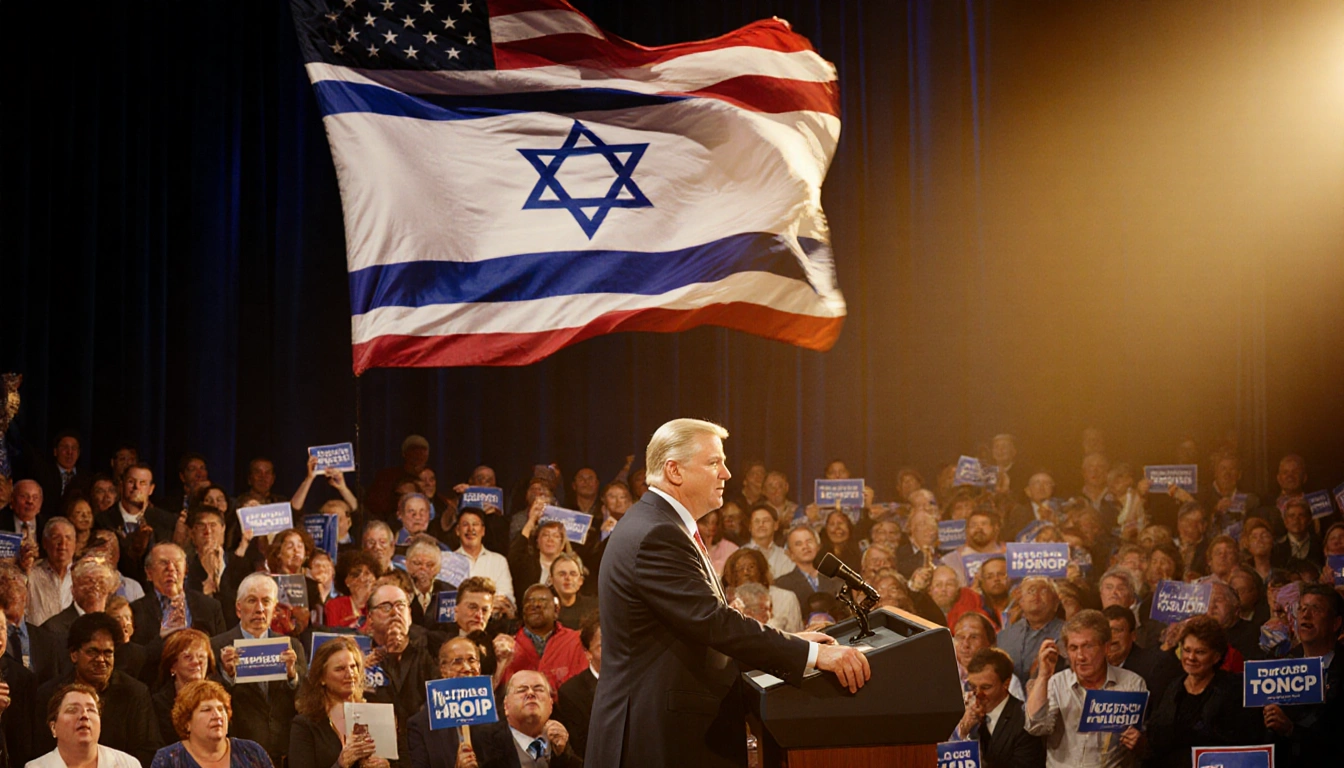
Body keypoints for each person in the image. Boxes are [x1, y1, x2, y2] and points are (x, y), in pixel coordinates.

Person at [587, 418, 868, 768]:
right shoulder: (657, 534)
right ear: (674, 470)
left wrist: (790, 642)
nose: (727, 474)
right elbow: (713, 623)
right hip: (658, 739)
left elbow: (697, 631)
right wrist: (811, 655)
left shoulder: (659, 524)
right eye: (714, 462)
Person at [35, 613, 162, 767]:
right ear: (74, 655)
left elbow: (148, 751)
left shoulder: (135, 693)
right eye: (93, 652)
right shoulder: (50, 694)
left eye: (108, 653)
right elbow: (39, 748)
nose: (101, 660)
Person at [1025, 610, 1147, 768]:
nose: (1080, 656)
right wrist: (1043, 676)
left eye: (1088, 646)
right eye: (1073, 648)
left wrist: (1137, 741)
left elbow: (1141, 745)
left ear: (1106, 648)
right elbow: (1036, 727)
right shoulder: (1056, 682)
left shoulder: (1132, 684)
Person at [211, 573, 306, 764]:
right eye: (252, 601)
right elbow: (209, 701)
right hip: (237, 754)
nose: (259, 609)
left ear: (274, 608)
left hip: (284, 754)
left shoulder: (292, 646)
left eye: (266, 601)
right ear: (239, 608)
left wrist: (292, 675)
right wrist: (228, 676)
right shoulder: (217, 646)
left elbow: (306, 699)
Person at [1145, 616, 1249, 768]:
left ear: (1216, 656)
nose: (1191, 658)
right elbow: (1156, 736)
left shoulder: (1231, 689)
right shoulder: (1173, 687)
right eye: (1187, 650)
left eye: (1200, 652)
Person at [1262, 583, 1344, 767]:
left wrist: (1292, 730)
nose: (1306, 615)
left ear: (1336, 623)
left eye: (1316, 609)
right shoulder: (1279, 664)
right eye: (1302, 609)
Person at [288, 636, 390, 768]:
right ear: (322, 678)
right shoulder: (305, 725)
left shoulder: (375, 714)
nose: (350, 674)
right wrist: (340, 765)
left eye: (353, 667)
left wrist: (387, 765)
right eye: (340, 669)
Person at [362, 584, 436, 761]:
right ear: (370, 617)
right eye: (386, 607)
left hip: (423, 748)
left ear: (409, 614)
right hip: (375, 750)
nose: (395, 612)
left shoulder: (431, 647)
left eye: (400, 605)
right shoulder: (357, 655)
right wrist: (360, 670)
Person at [467, 670, 582, 768]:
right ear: (506, 705)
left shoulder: (564, 737)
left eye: (539, 689)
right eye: (522, 690)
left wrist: (564, 754)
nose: (531, 693)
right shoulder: (485, 743)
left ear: (550, 705)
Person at [953, 648, 1045, 768]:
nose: (978, 694)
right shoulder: (964, 715)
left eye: (986, 687)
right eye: (973, 686)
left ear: (1006, 684)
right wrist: (964, 732)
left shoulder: (1025, 720)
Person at [150, 680, 273, 768]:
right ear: (187, 722)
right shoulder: (167, 760)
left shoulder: (252, 753)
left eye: (221, 709)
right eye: (206, 710)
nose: (217, 715)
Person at [406, 636, 485, 768]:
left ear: (479, 666)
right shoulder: (421, 725)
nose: (466, 667)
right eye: (457, 662)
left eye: (472, 660)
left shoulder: (499, 716)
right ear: (443, 670)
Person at [130, 543, 226, 645]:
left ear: (185, 571)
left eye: (176, 562)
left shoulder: (210, 607)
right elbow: (136, 656)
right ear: (149, 573)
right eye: (163, 563)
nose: (171, 568)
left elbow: (221, 650)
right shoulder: (136, 611)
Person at [500, 584, 588, 693]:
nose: (535, 604)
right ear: (523, 611)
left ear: (556, 610)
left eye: (543, 600)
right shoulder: (508, 647)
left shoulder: (576, 641)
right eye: (530, 601)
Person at [29, 684, 141, 768]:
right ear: (53, 727)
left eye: (91, 710)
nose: (84, 715)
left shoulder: (128, 764)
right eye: (72, 710)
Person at [151, 629, 216, 755]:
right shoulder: (158, 704)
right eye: (188, 657)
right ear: (173, 666)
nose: (197, 662)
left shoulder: (219, 697)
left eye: (201, 656)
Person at [1101, 605, 1180, 706]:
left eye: (1117, 630)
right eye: (1105, 631)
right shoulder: (1093, 667)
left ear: (1133, 636)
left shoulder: (1154, 667)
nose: (1111, 637)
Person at [997, 576, 1064, 685]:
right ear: (1021, 602)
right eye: (1031, 591)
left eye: (1043, 591)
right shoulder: (1004, 636)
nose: (1036, 595)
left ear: (1056, 603)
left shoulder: (1068, 634)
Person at [721, 548, 803, 633]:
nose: (746, 572)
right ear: (731, 575)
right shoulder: (724, 603)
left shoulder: (786, 598)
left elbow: (798, 636)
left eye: (751, 567)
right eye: (740, 569)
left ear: (761, 570)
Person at [553, 614, 600, 762]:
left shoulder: (639, 683)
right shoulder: (571, 692)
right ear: (588, 653)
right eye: (603, 646)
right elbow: (581, 748)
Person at [773, 525, 840, 616]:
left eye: (809, 541)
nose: (805, 547)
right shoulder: (782, 584)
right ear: (790, 553)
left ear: (818, 546)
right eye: (798, 544)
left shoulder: (835, 578)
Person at [455, 508, 515, 606]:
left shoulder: (499, 561)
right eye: (465, 524)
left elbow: (506, 599)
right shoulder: (446, 561)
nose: (471, 529)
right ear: (457, 530)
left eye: (475, 524)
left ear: (483, 531)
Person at [322, 550, 381, 630]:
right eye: (356, 575)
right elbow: (334, 636)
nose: (363, 579)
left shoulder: (379, 604)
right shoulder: (334, 606)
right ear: (346, 582)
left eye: (367, 573)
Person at [403, 535, 452, 629]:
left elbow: (449, 633)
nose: (423, 569)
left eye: (429, 565)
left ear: (438, 568)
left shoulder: (448, 593)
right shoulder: (399, 590)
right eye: (417, 563)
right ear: (406, 564)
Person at [741, 504, 794, 580]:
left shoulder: (785, 556)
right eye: (756, 521)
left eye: (766, 521)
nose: (761, 525)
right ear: (750, 527)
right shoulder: (740, 554)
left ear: (776, 525)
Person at [549, 553, 596, 631]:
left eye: (573, 574)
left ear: (580, 581)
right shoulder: (544, 611)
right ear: (552, 580)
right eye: (562, 574)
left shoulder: (594, 609)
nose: (568, 578)